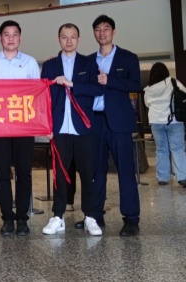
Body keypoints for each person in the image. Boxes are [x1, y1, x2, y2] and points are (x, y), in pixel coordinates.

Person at [40, 23, 104, 236]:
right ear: (58, 39)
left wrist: (72, 84)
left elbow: (97, 88)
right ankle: (58, 216)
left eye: (73, 37)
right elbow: (44, 97)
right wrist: (46, 125)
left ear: (79, 39)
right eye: (64, 37)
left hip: (83, 127)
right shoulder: (50, 65)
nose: (69, 41)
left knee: (87, 173)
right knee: (59, 174)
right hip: (59, 128)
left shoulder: (89, 63)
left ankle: (90, 217)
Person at [0, 20, 39, 236]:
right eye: (6, 34)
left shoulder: (30, 62)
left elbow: (37, 94)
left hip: (24, 126)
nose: (11, 38)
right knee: (2, 173)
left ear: (20, 37)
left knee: (24, 172)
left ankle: (22, 218)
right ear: (0, 38)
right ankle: (7, 218)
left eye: (15, 34)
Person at [89, 14, 141, 237]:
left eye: (106, 29)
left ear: (113, 31)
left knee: (126, 171)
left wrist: (110, 80)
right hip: (94, 121)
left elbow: (136, 84)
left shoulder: (128, 58)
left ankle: (131, 219)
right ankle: (95, 215)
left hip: (119, 122)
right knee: (96, 171)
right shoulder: (88, 60)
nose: (102, 33)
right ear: (94, 33)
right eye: (98, 29)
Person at [143, 62, 186, 187]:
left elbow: (147, 104)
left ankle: (162, 177)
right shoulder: (172, 81)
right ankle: (182, 177)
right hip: (174, 120)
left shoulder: (148, 88)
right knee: (177, 148)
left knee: (161, 149)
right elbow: (184, 93)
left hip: (156, 121)